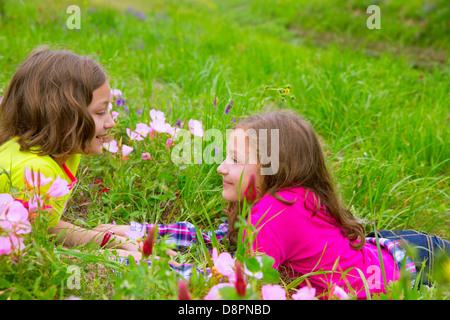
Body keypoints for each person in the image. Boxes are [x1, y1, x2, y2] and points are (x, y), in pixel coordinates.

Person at [96, 111, 449, 299]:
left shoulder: (277, 212)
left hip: (412, 269)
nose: (221, 167)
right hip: (391, 250)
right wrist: (141, 231)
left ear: (274, 169)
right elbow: (217, 240)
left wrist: (137, 253)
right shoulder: (281, 200)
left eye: (235, 160)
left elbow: (235, 286)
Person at [0, 46, 140, 255]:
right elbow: (29, 250)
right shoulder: (34, 172)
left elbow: (48, 226)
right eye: (101, 112)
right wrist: (110, 252)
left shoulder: (65, 154)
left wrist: (108, 239)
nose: (111, 122)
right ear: (63, 117)